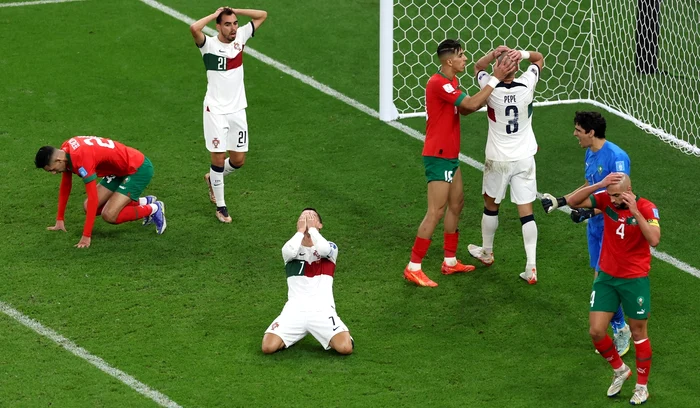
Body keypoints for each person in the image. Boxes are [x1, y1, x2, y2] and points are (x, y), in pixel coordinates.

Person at [403, 39, 516, 288]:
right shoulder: (439, 83)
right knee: (436, 211)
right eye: (461, 55)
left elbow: (464, 109)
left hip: (450, 155)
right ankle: (413, 267)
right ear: (449, 61)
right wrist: (495, 79)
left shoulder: (451, 82)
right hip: (438, 155)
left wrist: (492, 58)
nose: (465, 59)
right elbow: (471, 104)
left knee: (457, 204)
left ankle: (450, 261)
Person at [541, 111, 632, 355]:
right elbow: (588, 186)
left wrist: (590, 212)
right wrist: (563, 201)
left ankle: (622, 328)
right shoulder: (589, 153)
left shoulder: (617, 157)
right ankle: (620, 325)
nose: (575, 134)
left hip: (612, 229)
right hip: (595, 229)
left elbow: (621, 198)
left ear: (591, 133)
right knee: (602, 280)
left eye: (579, 130)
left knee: (602, 281)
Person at [566, 172, 659, 405]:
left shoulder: (647, 208)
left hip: (634, 279)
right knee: (596, 331)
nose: (613, 199)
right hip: (607, 277)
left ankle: (642, 387)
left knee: (638, 334)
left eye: (617, 195)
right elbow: (572, 201)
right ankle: (620, 370)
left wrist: (635, 211)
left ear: (630, 190)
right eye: (611, 195)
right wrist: (599, 185)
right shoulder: (607, 199)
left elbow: (655, 239)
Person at [466, 46, 544, 284]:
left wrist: (492, 54)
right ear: (517, 67)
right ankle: (531, 267)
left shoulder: (489, 86)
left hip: (498, 158)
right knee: (526, 214)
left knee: (491, 206)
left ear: (498, 67)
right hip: (524, 158)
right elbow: (539, 58)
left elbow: (477, 67)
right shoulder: (527, 84)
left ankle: (487, 252)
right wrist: (520, 53)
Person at [190, 6, 268, 223]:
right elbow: (194, 28)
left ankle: (212, 178)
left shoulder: (241, 36)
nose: (233, 28)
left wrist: (236, 11)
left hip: (237, 110)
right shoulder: (208, 45)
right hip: (215, 111)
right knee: (217, 156)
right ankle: (221, 207)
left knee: (238, 160)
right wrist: (215, 14)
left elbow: (262, 15)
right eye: (227, 24)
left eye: (234, 23)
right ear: (218, 26)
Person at [35, 136, 166, 248]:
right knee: (88, 207)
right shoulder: (66, 149)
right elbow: (66, 185)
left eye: (52, 169)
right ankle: (144, 201)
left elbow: (93, 198)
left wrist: (86, 236)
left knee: (109, 215)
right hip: (118, 170)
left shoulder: (81, 160)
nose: (53, 173)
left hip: (137, 168)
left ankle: (154, 208)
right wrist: (59, 219)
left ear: (59, 160)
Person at [262, 208, 353, 355]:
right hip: (294, 311)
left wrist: (312, 231)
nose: (307, 220)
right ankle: (295, 334)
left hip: (322, 310)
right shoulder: (291, 249)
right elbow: (288, 251)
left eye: (312, 217)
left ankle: (340, 335)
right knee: (268, 347)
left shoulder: (331, 247)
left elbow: (323, 250)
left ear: (320, 225)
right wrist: (300, 232)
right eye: (303, 218)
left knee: (345, 348)